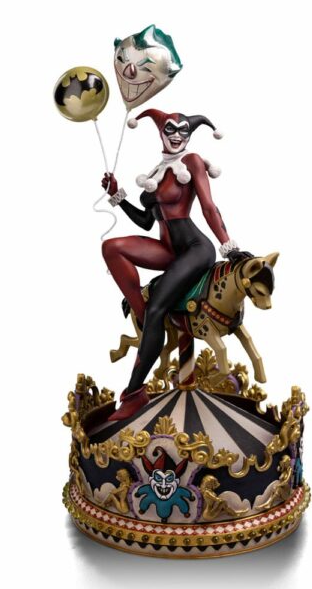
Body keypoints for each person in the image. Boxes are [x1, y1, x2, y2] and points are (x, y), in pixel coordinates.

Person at [102, 109, 252, 420]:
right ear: (160, 132)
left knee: (158, 308)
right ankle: (144, 315)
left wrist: (229, 246)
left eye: (184, 131)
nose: (177, 136)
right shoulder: (158, 171)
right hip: (168, 249)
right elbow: (146, 222)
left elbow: (209, 207)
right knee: (112, 248)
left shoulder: (192, 162)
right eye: (170, 129)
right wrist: (117, 194)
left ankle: (134, 394)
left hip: (195, 249)